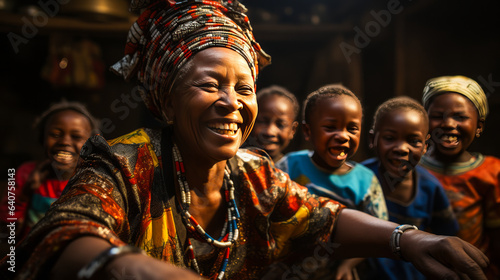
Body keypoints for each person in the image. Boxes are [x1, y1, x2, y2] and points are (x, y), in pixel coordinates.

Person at [0, 2, 490, 280]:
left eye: (244, 87)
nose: (231, 102)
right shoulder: (123, 163)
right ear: (167, 103)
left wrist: (410, 240)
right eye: (210, 84)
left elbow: (322, 218)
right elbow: (59, 237)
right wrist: (133, 269)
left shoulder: (252, 173)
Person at [276, 84, 388, 280]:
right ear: (308, 131)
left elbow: (378, 233)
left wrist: (348, 264)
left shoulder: (365, 180)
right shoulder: (290, 165)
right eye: (330, 127)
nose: (343, 136)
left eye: (352, 128)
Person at [361, 96, 459, 280]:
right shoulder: (359, 178)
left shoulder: (430, 188)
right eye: (390, 138)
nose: (401, 148)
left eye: (413, 141)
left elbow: (446, 236)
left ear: (425, 147)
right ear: (373, 139)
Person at [419, 75, 500, 279]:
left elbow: (496, 236)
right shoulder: (410, 167)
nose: (448, 124)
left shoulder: (491, 172)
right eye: (437, 116)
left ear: (479, 126)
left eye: (460, 117)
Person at [0, 100, 99, 242]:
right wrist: (25, 194)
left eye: (76, 137)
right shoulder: (25, 173)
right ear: (43, 139)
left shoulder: (92, 182)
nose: (65, 142)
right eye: (55, 134)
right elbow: (6, 233)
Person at [244, 85, 299, 162]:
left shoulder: (292, 171)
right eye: (262, 122)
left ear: (293, 130)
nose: (269, 132)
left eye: (281, 125)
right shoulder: (230, 164)